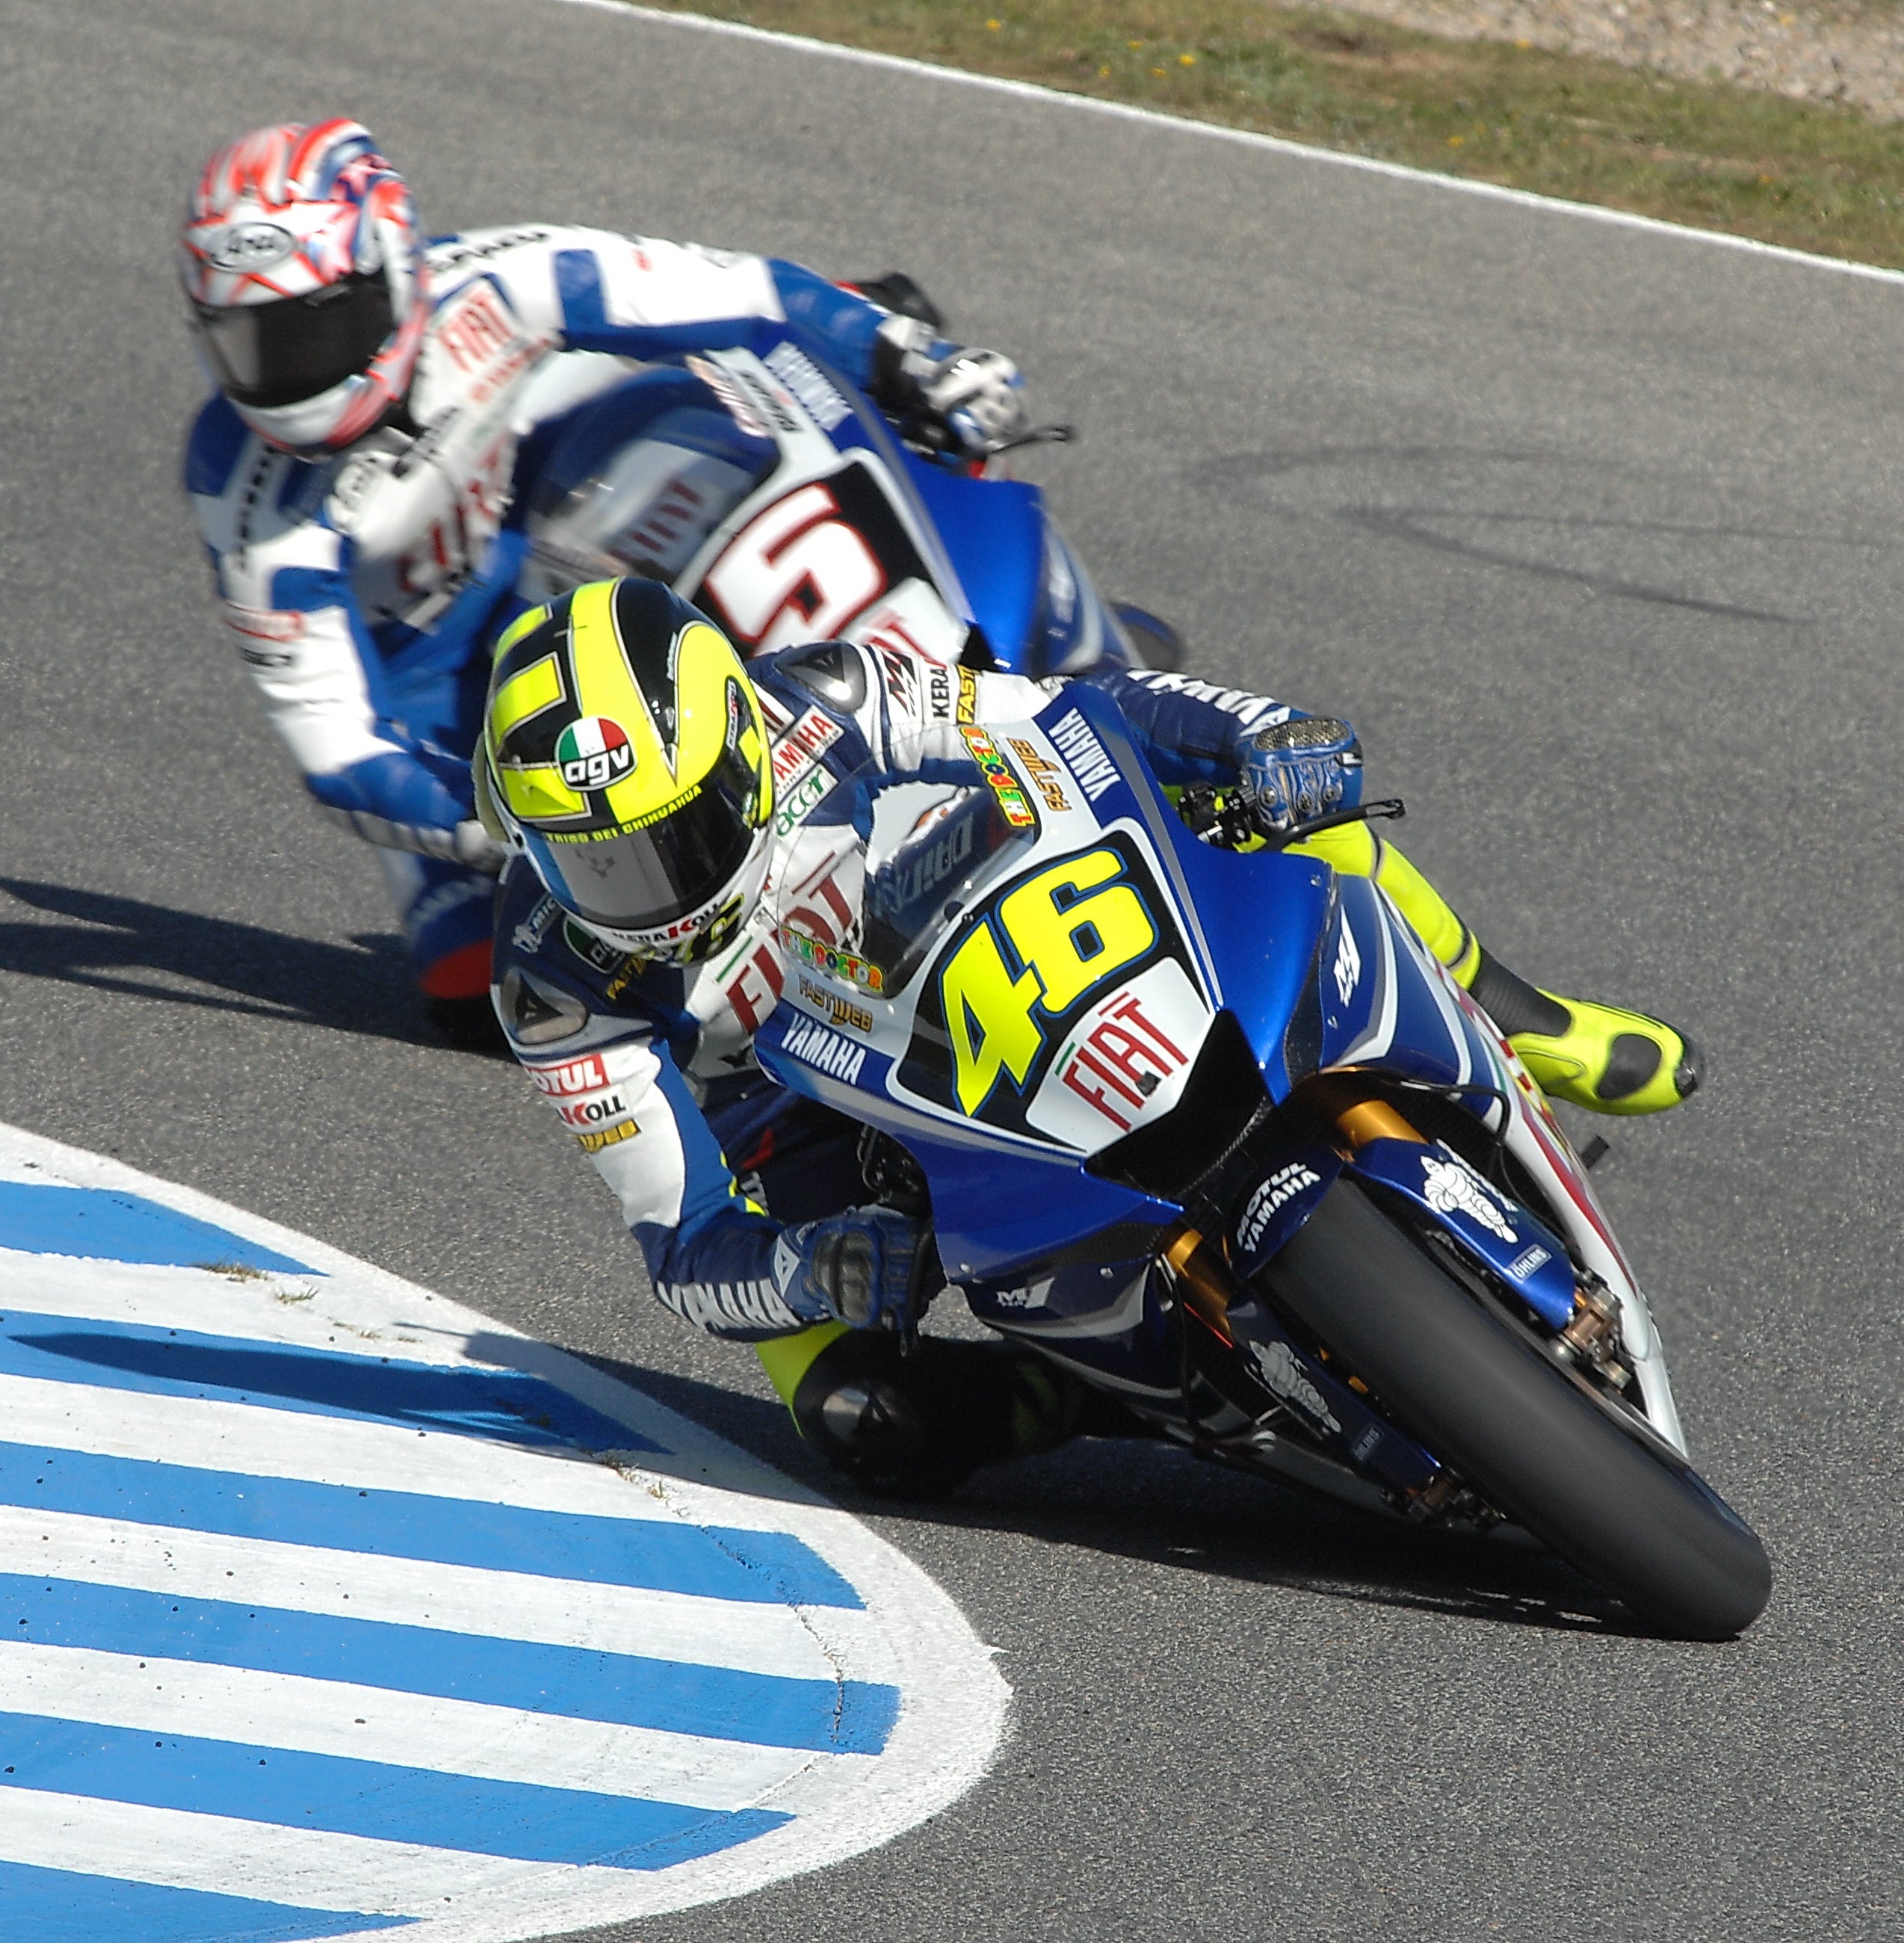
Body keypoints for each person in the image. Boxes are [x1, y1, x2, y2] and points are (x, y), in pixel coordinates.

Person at [474, 575, 1704, 1496]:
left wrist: (1240, 737)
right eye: (589, 861)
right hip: (821, 1129)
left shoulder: (826, 697)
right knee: (865, 1420)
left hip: (997, 941)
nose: (644, 890)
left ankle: (1523, 1018)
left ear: (738, 749)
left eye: (670, 836)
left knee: (1287, 810)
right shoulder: (550, 984)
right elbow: (686, 1247)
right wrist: (807, 1270)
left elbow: (1066, 714)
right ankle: (1099, 1391)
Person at [179, 118, 1027, 1042]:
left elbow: (746, 292)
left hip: (576, 519)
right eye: (246, 343)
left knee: (724, 419)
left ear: (392, 265)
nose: (284, 373)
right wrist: (508, 826)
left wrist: (908, 355)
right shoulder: (243, 482)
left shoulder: (500, 279)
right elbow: (339, 751)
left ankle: (919, 651)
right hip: (437, 714)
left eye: (312, 328)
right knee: (496, 993)